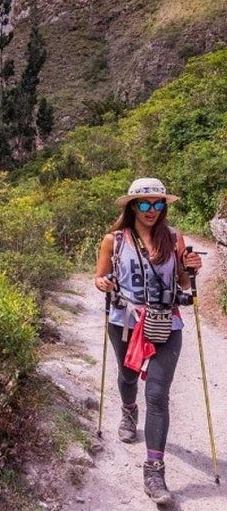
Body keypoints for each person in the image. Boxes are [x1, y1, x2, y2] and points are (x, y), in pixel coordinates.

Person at [94, 177, 202, 505]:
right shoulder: (114, 240)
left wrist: (191, 267)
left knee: (157, 393)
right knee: (127, 377)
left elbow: (183, 283)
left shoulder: (174, 238)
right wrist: (103, 283)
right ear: (132, 206)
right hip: (125, 321)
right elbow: (100, 276)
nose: (152, 210)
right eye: (144, 204)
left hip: (166, 323)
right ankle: (128, 411)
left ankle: (154, 470)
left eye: (158, 204)